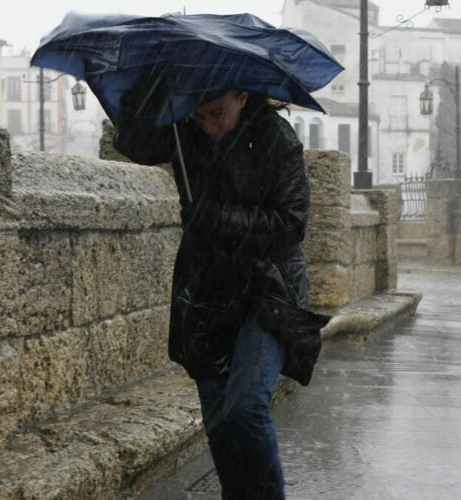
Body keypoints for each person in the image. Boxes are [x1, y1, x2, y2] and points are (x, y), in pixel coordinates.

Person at [114, 81, 330, 500]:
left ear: (242, 97)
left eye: (217, 113)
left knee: (245, 405)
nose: (208, 124)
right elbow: (139, 145)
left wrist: (215, 216)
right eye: (200, 114)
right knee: (217, 417)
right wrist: (140, 95)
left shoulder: (274, 138)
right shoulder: (184, 130)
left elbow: (291, 222)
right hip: (208, 287)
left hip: (269, 289)